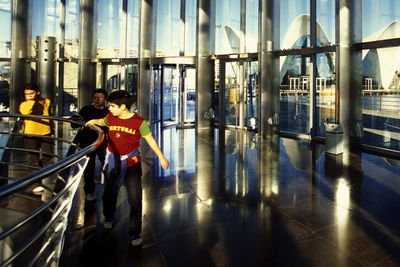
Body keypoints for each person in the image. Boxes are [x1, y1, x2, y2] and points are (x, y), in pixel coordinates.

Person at [86, 90, 169, 247]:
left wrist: (161, 157)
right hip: (112, 162)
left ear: (123, 106)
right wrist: (92, 122)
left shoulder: (138, 122)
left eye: (111, 106)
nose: (109, 109)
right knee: (109, 194)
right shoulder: (111, 117)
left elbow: (150, 140)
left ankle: (135, 232)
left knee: (135, 199)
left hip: (132, 165)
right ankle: (108, 217)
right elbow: (102, 121)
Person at [19, 83, 55, 201]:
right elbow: (27, 112)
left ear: (37, 92)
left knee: (48, 155)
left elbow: (50, 115)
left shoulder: (46, 102)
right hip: (30, 134)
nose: (29, 96)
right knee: (33, 158)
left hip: (45, 132)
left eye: (31, 93)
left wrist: (52, 130)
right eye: (26, 94)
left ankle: (39, 173)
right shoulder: (24, 104)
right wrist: (32, 101)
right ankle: (37, 182)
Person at [74, 89, 109, 201]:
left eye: (100, 98)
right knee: (89, 169)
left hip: (102, 144)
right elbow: (76, 123)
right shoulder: (86, 109)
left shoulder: (108, 112)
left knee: (108, 166)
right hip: (87, 144)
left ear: (105, 100)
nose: (97, 100)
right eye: (95, 97)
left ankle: (109, 189)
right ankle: (89, 192)